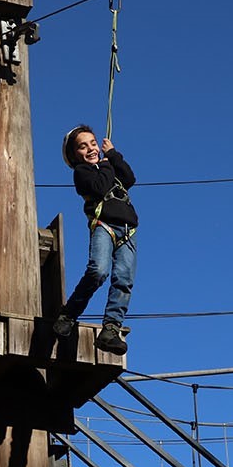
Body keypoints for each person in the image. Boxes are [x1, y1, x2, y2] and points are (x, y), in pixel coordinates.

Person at [53, 125, 136, 355]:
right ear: (75, 155)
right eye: (83, 146)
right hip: (104, 224)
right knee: (98, 271)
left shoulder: (108, 165)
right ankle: (69, 313)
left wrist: (113, 154)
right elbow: (100, 187)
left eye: (92, 143)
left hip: (128, 230)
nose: (90, 148)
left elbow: (129, 178)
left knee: (124, 278)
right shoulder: (82, 172)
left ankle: (111, 328)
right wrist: (107, 162)